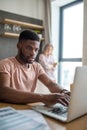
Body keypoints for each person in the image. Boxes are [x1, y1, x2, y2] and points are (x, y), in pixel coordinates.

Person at [0, 29, 70, 106]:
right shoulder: (5, 64)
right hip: (9, 110)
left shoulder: (37, 66)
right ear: (19, 46)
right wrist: (43, 98)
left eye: (36, 50)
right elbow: (3, 92)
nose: (33, 53)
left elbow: (50, 83)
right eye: (29, 48)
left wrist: (63, 91)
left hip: (28, 108)